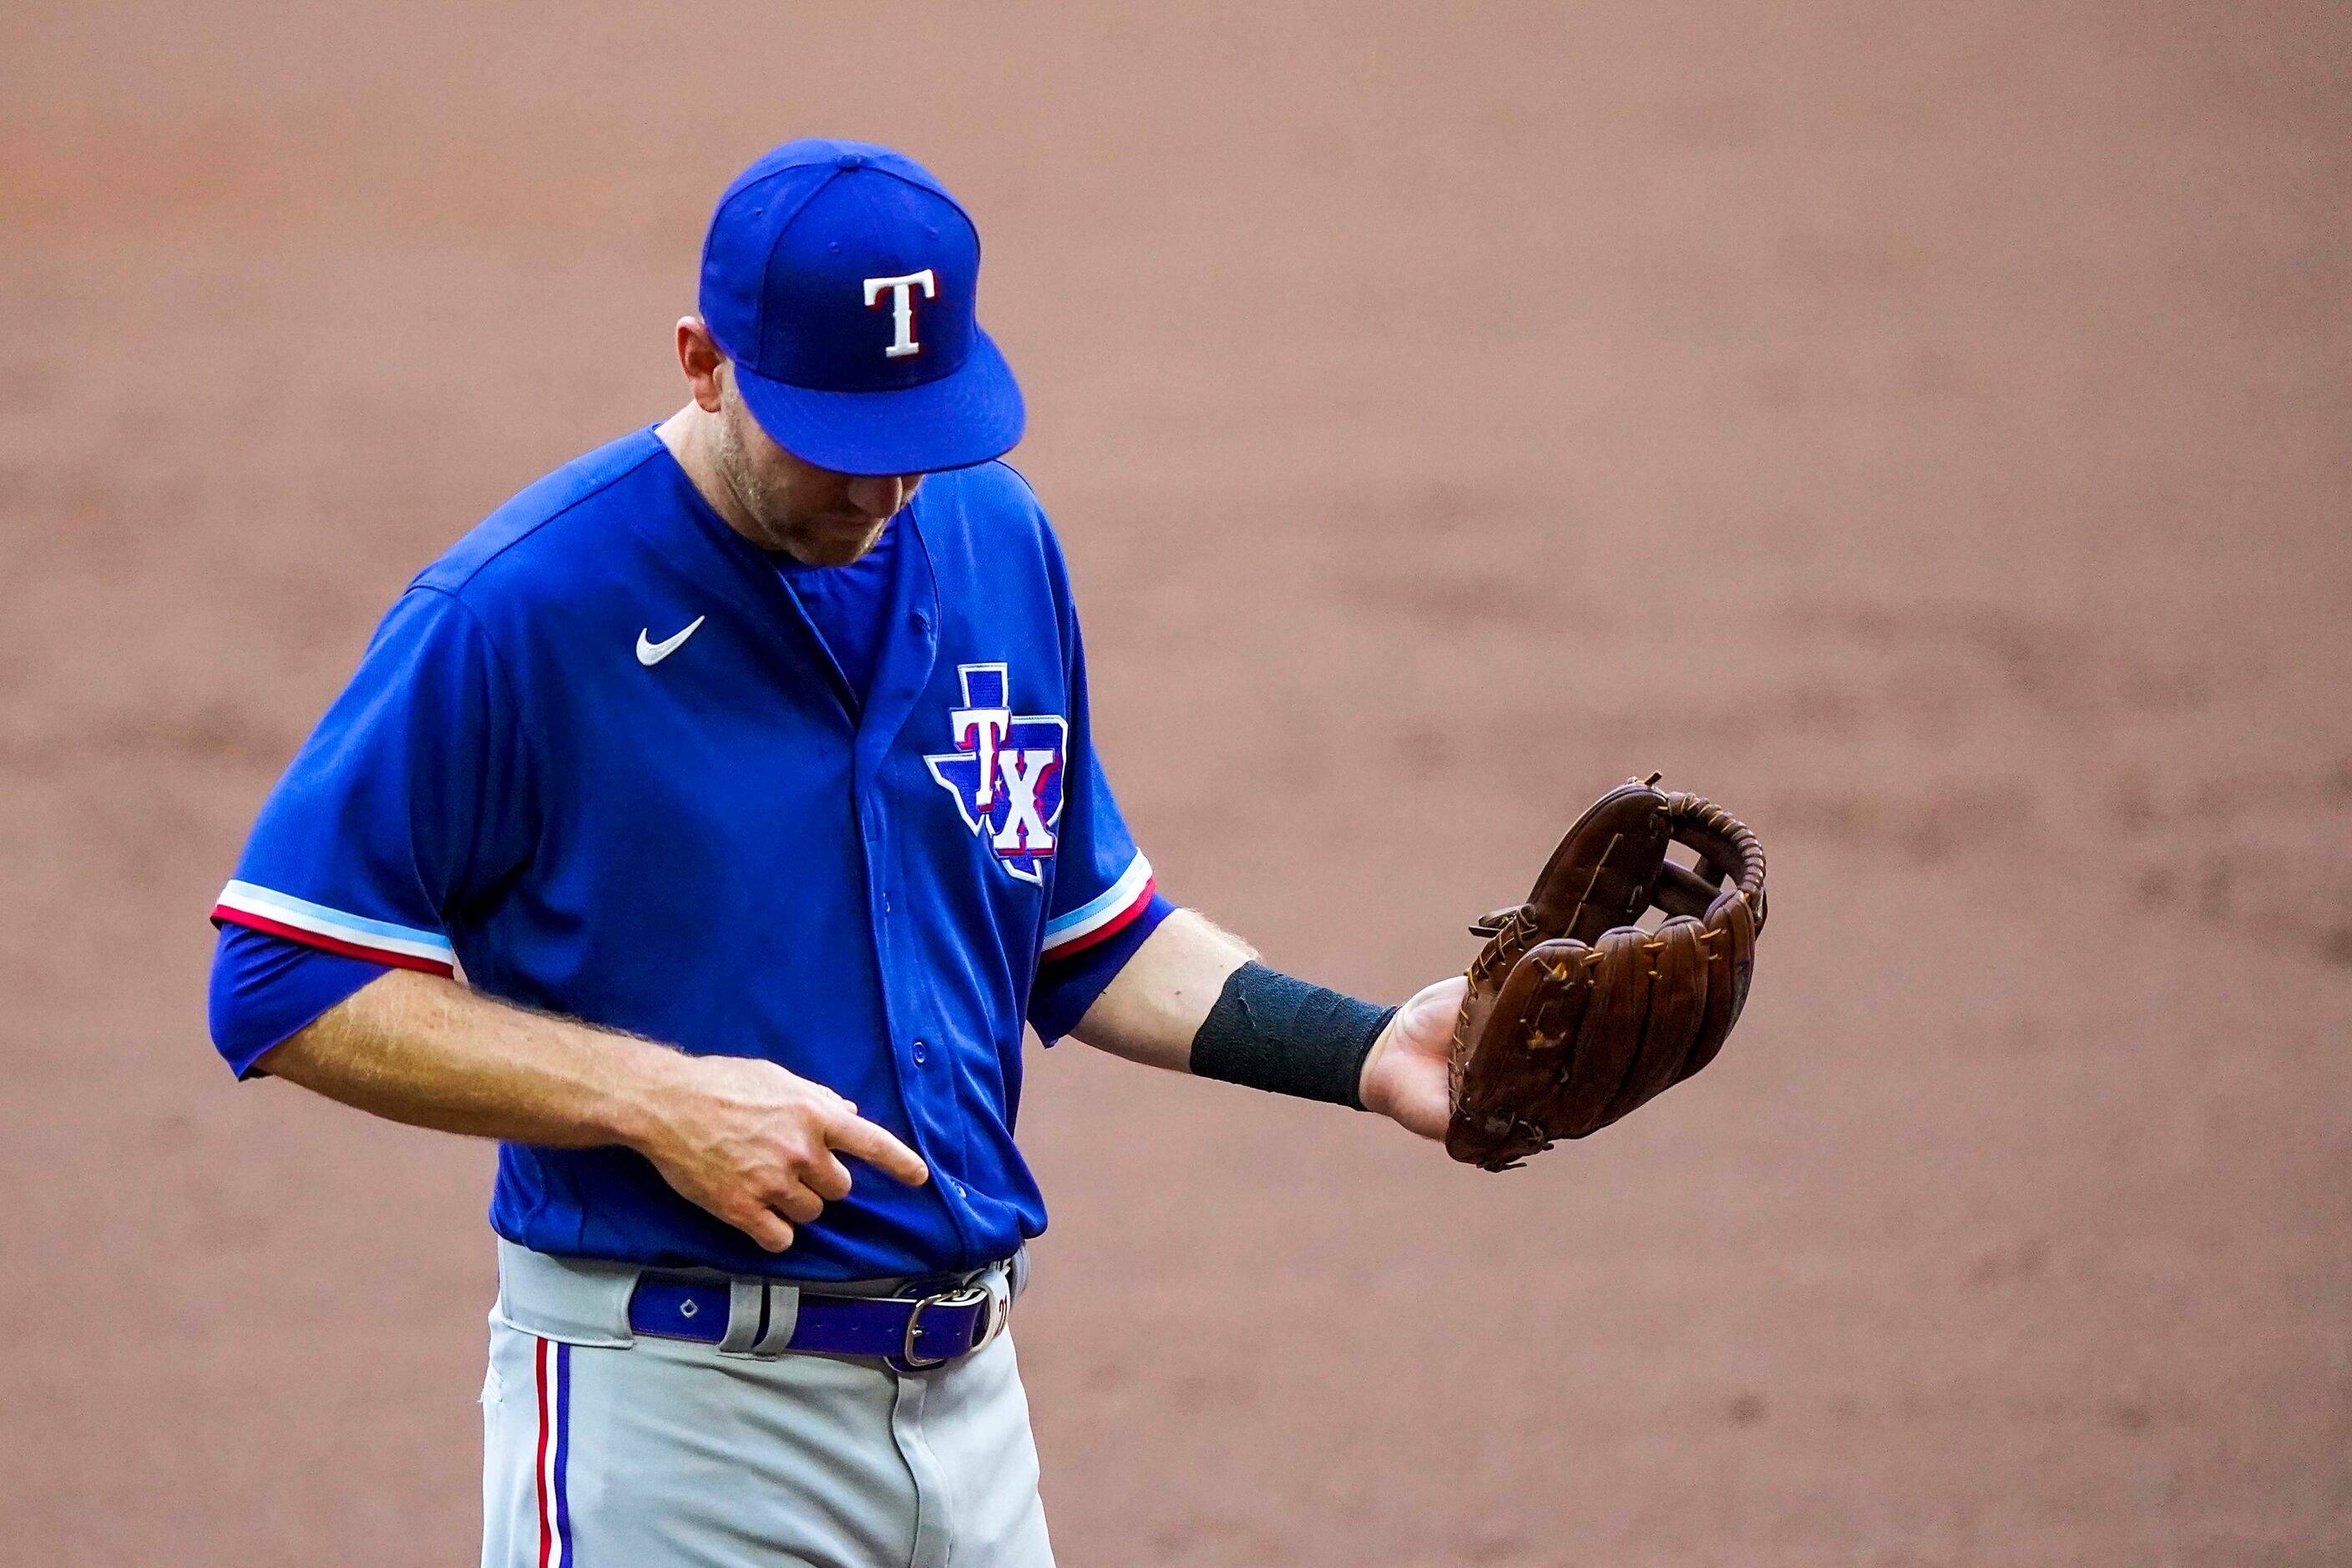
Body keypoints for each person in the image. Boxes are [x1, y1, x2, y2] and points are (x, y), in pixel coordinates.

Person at [207, 137, 1464, 1568]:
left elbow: (1074, 926)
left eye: (916, 437)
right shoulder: (521, 608)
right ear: (704, 362)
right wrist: (650, 1095)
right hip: (676, 1422)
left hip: (974, 1419)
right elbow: (281, 976)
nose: (882, 497)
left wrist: (1366, 1051)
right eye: (836, 443)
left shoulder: (993, 534)